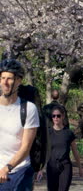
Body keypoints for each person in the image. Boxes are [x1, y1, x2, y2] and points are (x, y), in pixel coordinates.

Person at [0, 59, 39, 191]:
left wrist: (7, 168)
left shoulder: (28, 109)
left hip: (19, 171)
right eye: (2, 78)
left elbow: (26, 147)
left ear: (18, 81)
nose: (5, 82)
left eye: (9, 78)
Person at [36, 106, 83, 191]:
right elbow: (44, 152)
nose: (56, 118)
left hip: (65, 166)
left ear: (63, 116)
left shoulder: (68, 133)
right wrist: (41, 169)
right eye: (53, 116)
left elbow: (75, 151)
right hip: (51, 166)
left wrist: (80, 168)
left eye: (58, 116)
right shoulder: (48, 133)